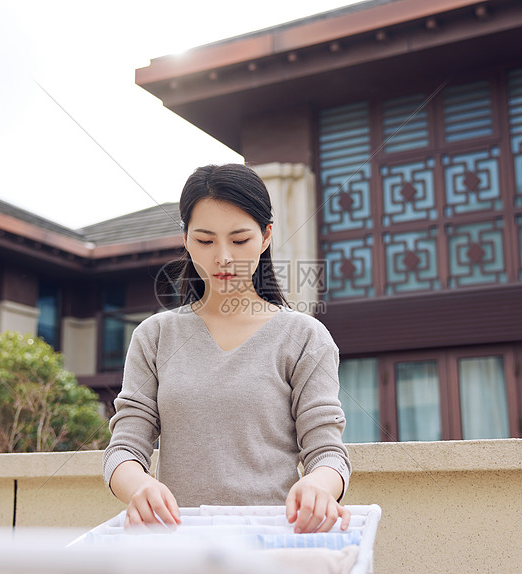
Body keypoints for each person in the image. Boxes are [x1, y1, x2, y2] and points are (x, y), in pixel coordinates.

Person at [102, 163, 351, 534]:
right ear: (185, 239)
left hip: (271, 542)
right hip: (178, 543)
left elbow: (327, 452)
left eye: (239, 240)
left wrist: (318, 485)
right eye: (205, 241)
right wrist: (139, 485)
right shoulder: (154, 336)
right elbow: (123, 448)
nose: (223, 257)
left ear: (266, 237)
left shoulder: (304, 337)